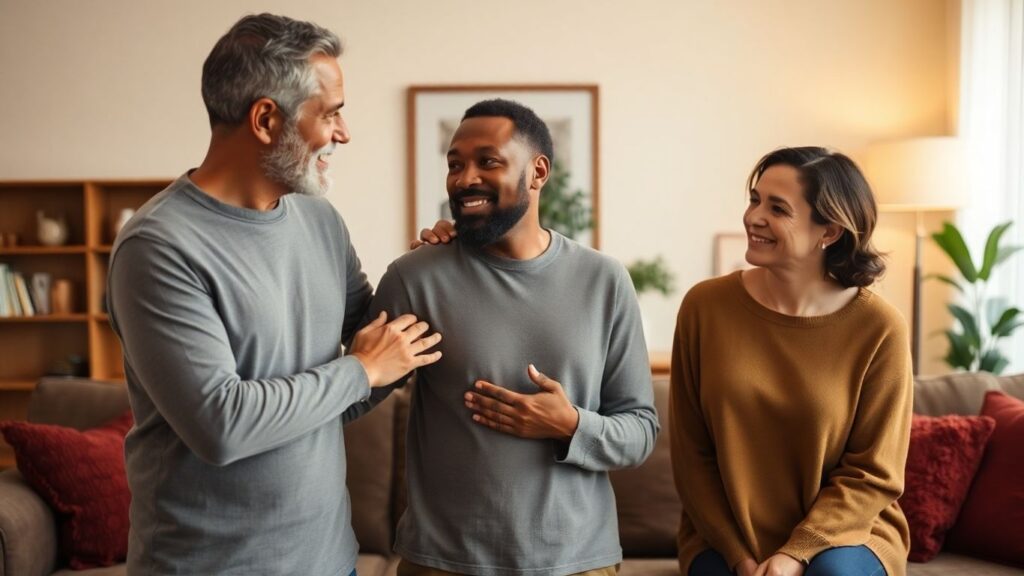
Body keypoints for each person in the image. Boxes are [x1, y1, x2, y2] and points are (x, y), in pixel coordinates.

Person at [107, 13, 441, 575]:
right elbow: (222, 425)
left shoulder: (318, 219)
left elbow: (373, 356)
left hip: (329, 563)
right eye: (330, 113)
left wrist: (441, 261)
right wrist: (362, 370)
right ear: (266, 119)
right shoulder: (157, 248)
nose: (344, 132)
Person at [372, 99, 659, 576]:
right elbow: (355, 390)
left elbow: (640, 430)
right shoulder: (415, 278)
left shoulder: (604, 281)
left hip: (578, 564)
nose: (465, 179)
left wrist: (571, 425)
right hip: (443, 563)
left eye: (488, 161)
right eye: (455, 164)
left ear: (537, 171)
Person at [670, 147, 912, 576]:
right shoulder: (703, 307)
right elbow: (692, 454)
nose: (754, 217)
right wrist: (739, 557)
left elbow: (872, 473)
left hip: (845, 534)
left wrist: (796, 552)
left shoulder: (880, 328)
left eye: (777, 208)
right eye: (754, 199)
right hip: (725, 537)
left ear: (830, 231)